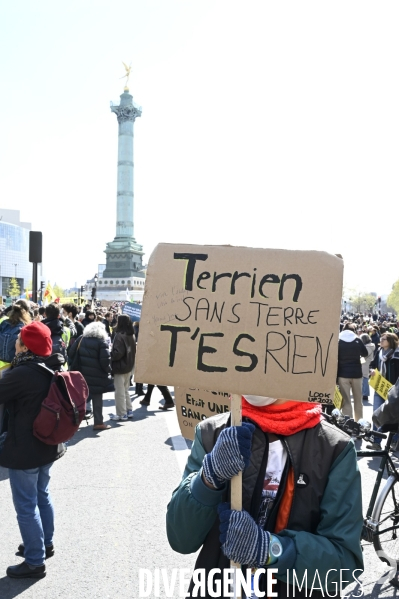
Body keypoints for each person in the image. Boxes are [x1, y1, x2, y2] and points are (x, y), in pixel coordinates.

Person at [166, 395, 363, 598]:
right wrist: (208, 479)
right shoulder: (212, 433)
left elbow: (345, 565)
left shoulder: (333, 448)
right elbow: (180, 539)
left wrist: (271, 549)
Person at [0, 321, 66, 579]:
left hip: (25, 447)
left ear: (25, 346)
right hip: (49, 443)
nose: (15, 343)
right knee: (41, 494)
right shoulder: (53, 364)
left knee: (26, 505)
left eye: (18, 340)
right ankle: (43, 543)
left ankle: (35, 561)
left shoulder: (22, 373)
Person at [67, 321, 112, 430]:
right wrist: (109, 371)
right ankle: (98, 422)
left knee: (80, 398)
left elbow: (70, 353)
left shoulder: (81, 339)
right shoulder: (102, 342)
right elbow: (105, 361)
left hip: (81, 373)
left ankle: (73, 420)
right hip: (97, 375)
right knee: (97, 398)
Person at [367, 332, 399, 450]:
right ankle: (376, 442)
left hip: (393, 391)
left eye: (384, 339)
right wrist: (372, 370)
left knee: (394, 415)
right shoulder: (379, 352)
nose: (381, 340)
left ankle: (394, 442)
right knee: (377, 413)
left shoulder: (396, 354)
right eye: (381, 338)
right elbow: (372, 364)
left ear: (390, 341)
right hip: (379, 388)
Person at [337, 323, 368, 421]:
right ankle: (359, 422)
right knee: (358, 400)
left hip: (343, 374)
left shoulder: (338, 341)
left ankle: (348, 423)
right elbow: (365, 353)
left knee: (346, 401)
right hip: (357, 374)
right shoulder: (357, 340)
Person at [109, 315, 136, 421]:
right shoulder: (131, 335)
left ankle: (121, 413)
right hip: (129, 365)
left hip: (120, 366)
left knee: (119, 391)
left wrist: (110, 352)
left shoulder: (119, 335)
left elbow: (117, 354)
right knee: (125, 390)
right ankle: (129, 410)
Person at [360, 333, 375, 401]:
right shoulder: (370, 346)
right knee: (364, 379)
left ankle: (365, 394)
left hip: (365, 364)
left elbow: (364, 356)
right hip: (365, 364)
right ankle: (364, 393)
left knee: (365, 379)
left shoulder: (367, 347)